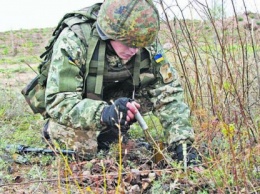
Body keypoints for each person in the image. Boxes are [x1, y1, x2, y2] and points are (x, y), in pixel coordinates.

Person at [43, 0, 200, 165]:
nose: (135, 50)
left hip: (115, 102)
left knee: (119, 144)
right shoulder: (75, 39)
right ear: (109, 33)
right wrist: (105, 113)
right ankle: (53, 129)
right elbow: (58, 101)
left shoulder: (142, 38)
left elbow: (168, 91)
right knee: (87, 149)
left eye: (140, 45)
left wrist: (182, 144)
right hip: (80, 106)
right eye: (129, 43)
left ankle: (111, 132)